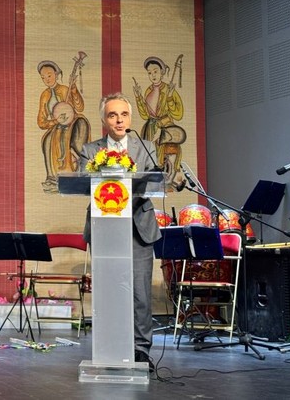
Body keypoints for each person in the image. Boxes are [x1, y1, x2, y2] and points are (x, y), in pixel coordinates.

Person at [80, 92, 160, 370]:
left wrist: (127, 190)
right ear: (104, 119)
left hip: (138, 228)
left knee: (140, 294)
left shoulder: (146, 147)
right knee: (108, 292)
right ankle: (108, 348)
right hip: (105, 230)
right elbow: (82, 181)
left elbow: (153, 183)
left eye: (123, 114)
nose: (119, 120)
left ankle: (141, 350)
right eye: (113, 115)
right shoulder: (91, 150)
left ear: (130, 117)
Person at [37, 59, 90, 193]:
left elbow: (79, 107)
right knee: (47, 140)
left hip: (73, 121)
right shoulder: (44, 95)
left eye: (49, 75)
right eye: (43, 77)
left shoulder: (65, 89)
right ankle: (52, 177)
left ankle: (80, 171)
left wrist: (73, 90)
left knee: (77, 134)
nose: (47, 79)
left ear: (56, 73)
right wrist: (55, 121)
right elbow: (41, 121)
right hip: (57, 125)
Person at [132, 56, 185, 187]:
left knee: (168, 153)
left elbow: (178, 114)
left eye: (155, 71)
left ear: (162, 71)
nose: (153, 75)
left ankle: (170, 178)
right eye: (150, 73)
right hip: (150, 128)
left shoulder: (168, 89)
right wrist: (139, 97)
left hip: (166, 127)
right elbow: (145, 114)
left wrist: (170, 98)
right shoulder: (149, 90)